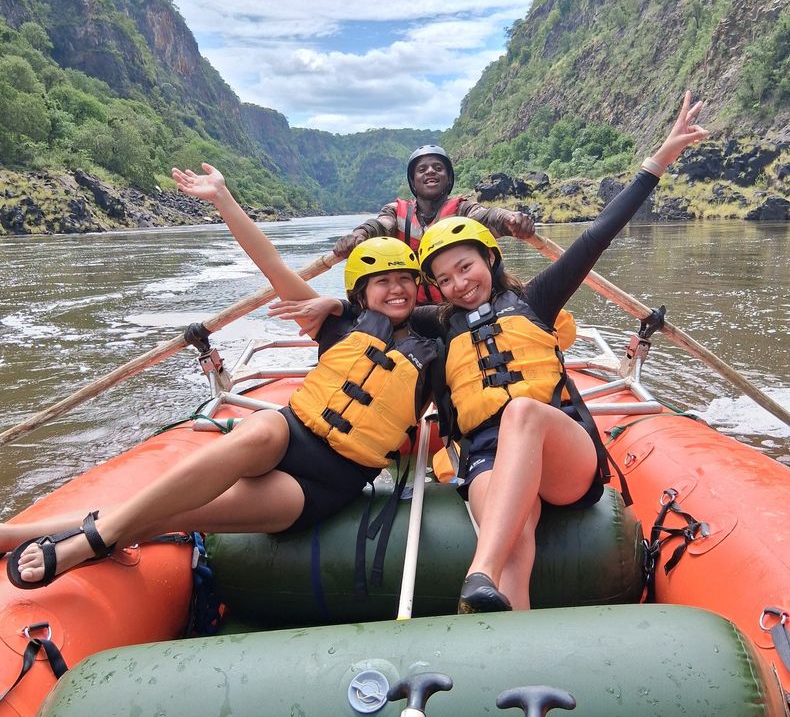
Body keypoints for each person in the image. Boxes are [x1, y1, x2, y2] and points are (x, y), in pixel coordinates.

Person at [3, 167, 441, 588]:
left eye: (405, 279)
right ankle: (85, 542)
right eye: (383, 281)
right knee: (264, 426)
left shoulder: (435, 349)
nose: (397, 289)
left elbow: (473, 308)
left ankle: (27, 537)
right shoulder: (335, 324)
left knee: (179, 512)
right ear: (361, 293)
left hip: (330, 482)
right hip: (287, 438)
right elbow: (271, 263)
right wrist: (221, 197)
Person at [412, 93, 708, 614]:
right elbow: (372, 310)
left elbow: (597, 235)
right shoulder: (436, 326)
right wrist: (331, 304)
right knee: (514, 543)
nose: (459, 284)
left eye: (466, 267)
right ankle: (510, 641)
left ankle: (477, 571)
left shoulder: (536, 301)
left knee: (523, 413)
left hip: (563, 456)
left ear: (490, 259)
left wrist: (659, 159)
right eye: (445, 279)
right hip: (485, 456)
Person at [333, 144, 536, 304]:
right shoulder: (395, 212)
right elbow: (379, 226)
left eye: (438, 168)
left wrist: (510, 219)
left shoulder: (463, 210)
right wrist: (359, 235)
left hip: (458, 304)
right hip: (410, 309)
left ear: (448, 179)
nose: (430, 172)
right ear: (413, 182)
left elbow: (487, 217)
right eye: (422, 169)